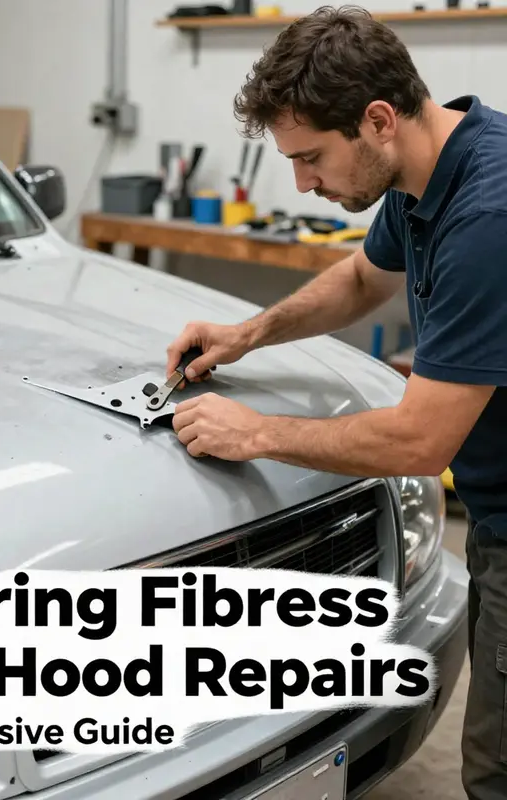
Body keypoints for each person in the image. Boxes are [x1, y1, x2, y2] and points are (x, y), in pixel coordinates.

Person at [165, 5, 507, 799]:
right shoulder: (426, 175)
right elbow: (361, 279)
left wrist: (256, 434)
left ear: (378, 120)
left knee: (496, 772)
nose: (303, 183)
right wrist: (248, 334)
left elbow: (419, 442)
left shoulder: (488, 218)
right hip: (495, 512)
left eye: (311, 157)